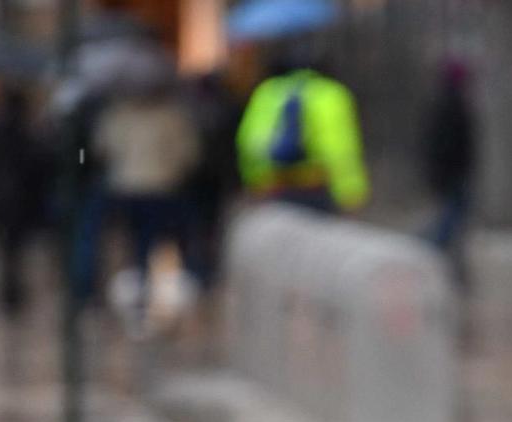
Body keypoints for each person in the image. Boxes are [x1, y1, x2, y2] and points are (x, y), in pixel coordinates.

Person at [91, 81, 200, 326]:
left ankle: (144, 293)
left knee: (138, 245)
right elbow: (189, 154)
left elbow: (101, 149)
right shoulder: (172, 116)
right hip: (161, 187)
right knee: (162, 245)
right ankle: (154, 295)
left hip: (128, 188)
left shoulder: (117, 116)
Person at [236, 52, 368, 214]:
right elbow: (339, 147)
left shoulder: (267, 93)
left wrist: (254, 183)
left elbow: (248, 142)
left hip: (274, 187)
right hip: (315, 186)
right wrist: (349, 191)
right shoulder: (329, 93)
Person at [0, 83, 53, 315]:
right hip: (16, 198)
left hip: (0, 196)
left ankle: (9, 292)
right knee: (14, 250)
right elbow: (34, 162)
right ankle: (12, 292)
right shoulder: (22, 131)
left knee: (7, 250)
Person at [181, 71, 242, 289]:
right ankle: (207, 269)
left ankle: (197, 270)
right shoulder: (226, 109)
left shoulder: (188, 110)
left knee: (194, 225)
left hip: (193, 178)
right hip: (216, 178)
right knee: (211, 225)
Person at [420, 57, 477, 287]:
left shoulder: (443, 104)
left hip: (450, 173)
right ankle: (428, 252)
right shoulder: (453, 105)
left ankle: (441, 258)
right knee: (450, 220)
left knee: (451, 219)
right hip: (454, 174)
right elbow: (453, 145)